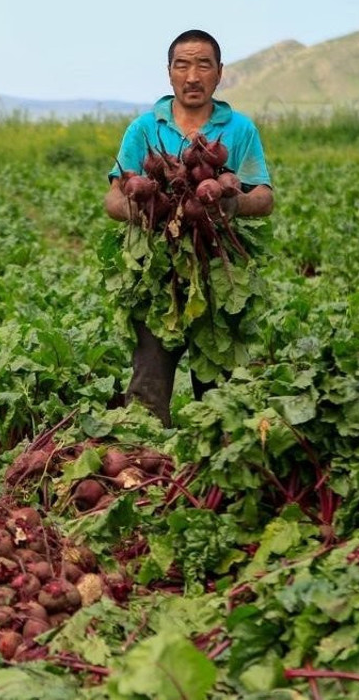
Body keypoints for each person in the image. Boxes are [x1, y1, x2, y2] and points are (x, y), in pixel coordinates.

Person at [103, 29, 275, 426]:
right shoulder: (144, 128)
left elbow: (264, 197)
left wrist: (232, 201)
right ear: (169, 73)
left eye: (203, 65)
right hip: (157, 275)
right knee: (148, 385)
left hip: (219, 271)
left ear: (219, 73)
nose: (192, 75)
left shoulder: (240, 129)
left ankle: (215, 461)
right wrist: (145, 207)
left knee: (221, 393)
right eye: (182, 65)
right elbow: (113, 198)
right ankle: (145, 466)